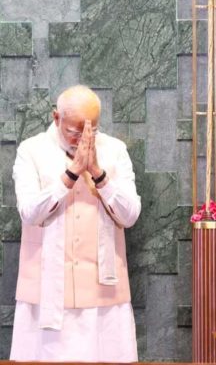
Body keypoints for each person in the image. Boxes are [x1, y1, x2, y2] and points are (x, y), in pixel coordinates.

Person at [10, 85, 141, 362]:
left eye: (91, 129)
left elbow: (130, 216)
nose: (83, 139)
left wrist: (98, 174)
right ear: (56, 117)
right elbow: (29, 213)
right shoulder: (30, 150)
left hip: (104, 296)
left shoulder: (115, 150)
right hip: (45, 292)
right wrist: (71, 174)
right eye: (74, 131)